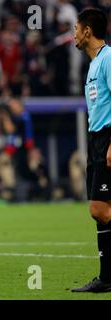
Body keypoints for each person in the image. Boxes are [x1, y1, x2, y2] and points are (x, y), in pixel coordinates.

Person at [71, 8, 111, 293]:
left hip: (108, 139)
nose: (73, 34)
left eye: (76, 28)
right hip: (96, 139)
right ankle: (107, 277)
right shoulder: (94, 63)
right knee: (100, 211)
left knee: (100, 209)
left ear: (87, 31)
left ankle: (107, 278)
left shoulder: (108, 59)